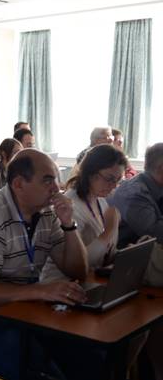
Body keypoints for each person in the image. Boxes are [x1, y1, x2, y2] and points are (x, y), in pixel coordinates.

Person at [0, 149, 98, 380]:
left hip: (23, 309)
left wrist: (69, 224)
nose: (57, 188)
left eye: (56, 179)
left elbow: (77, 270)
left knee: (84, 348)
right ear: (18, 184)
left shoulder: (47, 212)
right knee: (43, 367)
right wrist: (43, 290)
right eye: (48, 180)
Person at [108, 142, 163, 380]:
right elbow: (155, 232)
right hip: (122, 268)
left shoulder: (157, 188)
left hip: (147, 267)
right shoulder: (135, 192)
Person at [41, 144, 127, 281]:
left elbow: (103, 255)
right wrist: (109, 231)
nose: (114, 186)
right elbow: (79, 266)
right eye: (109, 179)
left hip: (89, 281)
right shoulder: (69, 206)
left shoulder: (100, 201)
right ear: (91, 173)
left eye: (118, 180)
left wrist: (126, 254)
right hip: (61, 284)